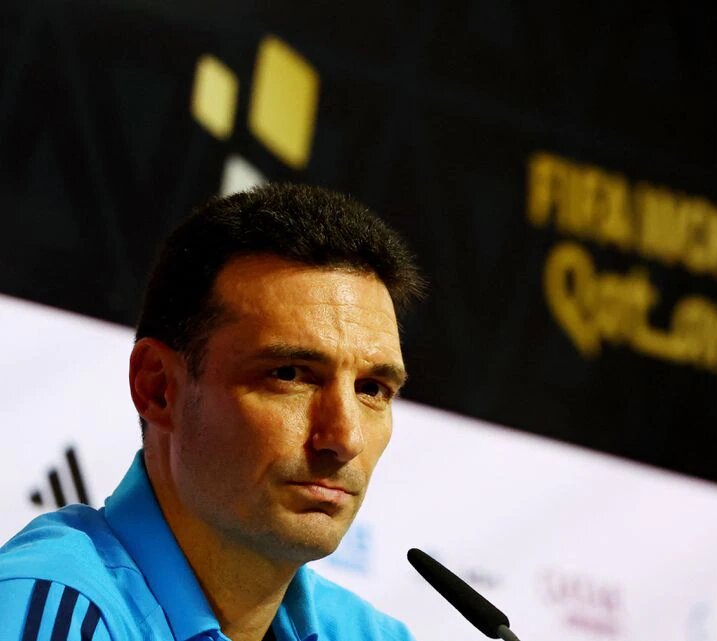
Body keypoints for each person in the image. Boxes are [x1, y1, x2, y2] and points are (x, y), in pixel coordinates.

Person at [0, 183, 425, 641]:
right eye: (290, 374)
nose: (344, 437)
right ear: (158, 388)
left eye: (372, 389)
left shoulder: (370, 635)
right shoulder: (54, 614)